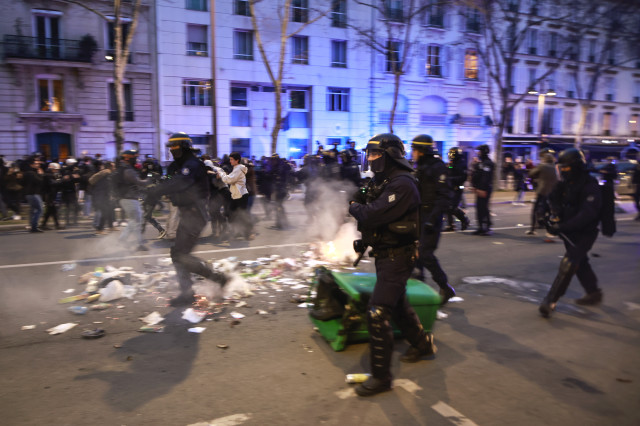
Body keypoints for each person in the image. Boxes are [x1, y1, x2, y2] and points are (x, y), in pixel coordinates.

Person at [348, 133, 437, 397]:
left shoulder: (403, 184)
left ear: (390, 156)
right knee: (398, 303)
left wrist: (354, 207)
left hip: (399, 255)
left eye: (376, 154)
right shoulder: (383, 180)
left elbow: (371, 213)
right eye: (370, 155)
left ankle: (382, 377)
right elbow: (361, 193)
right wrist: (358, 200)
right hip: (387, 253)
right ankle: (422, 345)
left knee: (377, 313)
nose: (372, 159)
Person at [147, 132, 228, 307]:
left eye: (174, 148)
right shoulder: (181, 164)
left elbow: (181, 182)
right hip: (189, 213)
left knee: (180, 255)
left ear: (183, 147)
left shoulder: (191, 164)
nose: (172, 151)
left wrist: (157, 190)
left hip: (195, 214)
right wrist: (156, 185)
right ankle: (190, 291)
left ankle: (215, 279)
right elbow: (172, 179)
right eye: (170, 148)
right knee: (178, 254)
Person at [539, 148, 603, 318]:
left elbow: (587, 214)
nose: (563, 171)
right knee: (581, 262)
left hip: (585, 232)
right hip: (569, 229)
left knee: (570, 262)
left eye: (566, 168)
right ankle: (593, 292)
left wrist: (562, 227)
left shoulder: (590, 185)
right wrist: (545, 213)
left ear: (576, 166)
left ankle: (550, 300)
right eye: (562, 168)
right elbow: (552, 197)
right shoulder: (567, 183)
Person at [411, 135, 456, 304]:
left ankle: (445, 287)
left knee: (425, 254)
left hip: (431, 218)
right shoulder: (420, 167)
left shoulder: (438, 168)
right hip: (419, 216)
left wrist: (433, 218)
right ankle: (418, 288)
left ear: (422, 151)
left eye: (414, 150)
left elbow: (444, 196)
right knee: (413, 254)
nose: (412, 153)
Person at [113, 150, 148, 251]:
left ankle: (136, 243)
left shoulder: (123, 168)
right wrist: (149, 181)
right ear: (128, 158)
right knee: (136, 221)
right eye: (134, 157)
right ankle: (128, 241)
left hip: (128, 198)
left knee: (136, 220)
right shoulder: (127, 169)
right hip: (129, 199)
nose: (136, 159)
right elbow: (137, 181)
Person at [214, 152, 254, 240]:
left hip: (241, 196)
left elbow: (229, 179)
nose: (230, 161)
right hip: (236, 195)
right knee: (231, 213)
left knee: (241, 214)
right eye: (230, 159)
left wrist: (221, 173)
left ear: (237, 160)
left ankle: (248, 233)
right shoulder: (236, 168)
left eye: (232, 159)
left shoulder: (238, 169)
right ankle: (238, 231)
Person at [526, 150, 558, 235]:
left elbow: (531, 173)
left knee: (535, 209)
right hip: (552, 192)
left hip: (542, 191)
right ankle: (551, 228)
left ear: (545, 159)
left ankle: (532, 229)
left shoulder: (542, 166)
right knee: (550, 211)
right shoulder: (555, 168)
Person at [444, 147, 470, 232]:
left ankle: (464, 220)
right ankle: (451, 225)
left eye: (452, 153)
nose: (450, 155)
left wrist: (451, 179)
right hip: (450, 187)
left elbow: (463, 177)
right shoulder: (452, 163)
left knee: (452, 207)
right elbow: (449, 172)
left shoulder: (462, 164)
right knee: (447, 206)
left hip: (458, 187)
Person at [470, 144, 495, 235]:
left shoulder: (488, 163)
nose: (478, 153)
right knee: (479, 208)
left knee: (484, 207)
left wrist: (482, 189)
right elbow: (476, 175)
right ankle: (481, 227)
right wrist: (475, 186)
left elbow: (486, 177)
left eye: (479, 151)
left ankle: (487, 227)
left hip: (485, 189)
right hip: (479, 188)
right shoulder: (481, 163)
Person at [22, 156, 45, 233]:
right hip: (34, 194)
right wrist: (41, 174)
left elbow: (23, 183)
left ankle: (32, 225)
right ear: (31, 165)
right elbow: (39, 182)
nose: (37, 164)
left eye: (38, 163)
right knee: (40, 210)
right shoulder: (32, 173)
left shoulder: (26, 173)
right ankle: (34, 227)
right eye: (35, 163)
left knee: (33, 210)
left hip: (28, 194)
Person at [40, 162, 63, 230]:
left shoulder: (49, 175)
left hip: (51, 194)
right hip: (49, 195)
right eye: (55, 169)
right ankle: (56, 225)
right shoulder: (48, 175)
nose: (56, 171)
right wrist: (61, 181)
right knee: (52, 210)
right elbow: (52, 183)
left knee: (50, 211)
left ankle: (44, 224)